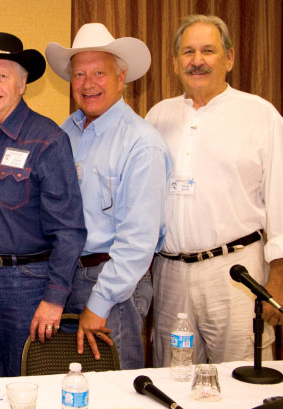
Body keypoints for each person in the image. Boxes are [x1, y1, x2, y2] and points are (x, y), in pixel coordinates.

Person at [146, 15, 283, 365]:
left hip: (236, 272)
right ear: (175, 63)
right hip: (170, 273)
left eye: (208, 51)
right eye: (188, 52)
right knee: (173, 376)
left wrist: (280, 281)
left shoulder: (260, 116)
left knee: (242, 376)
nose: (197, 60)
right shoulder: (157, 117)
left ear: (229, 58)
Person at [0, 32, 87, 378]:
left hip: (27, 284)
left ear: (22, 83)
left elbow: (70, 229)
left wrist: (55, 298)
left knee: (27, 384)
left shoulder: (48, 139)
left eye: (3, 75)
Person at [45, 23, 172, 369]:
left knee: (116, 394)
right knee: (71, 388)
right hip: (66, 278)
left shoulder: (141, 144)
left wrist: (99, 304)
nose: (88, 83)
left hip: (112, 286)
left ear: (121, 77)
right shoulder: (63, 133)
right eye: (80, 74)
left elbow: (138, 241)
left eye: (99, 72)